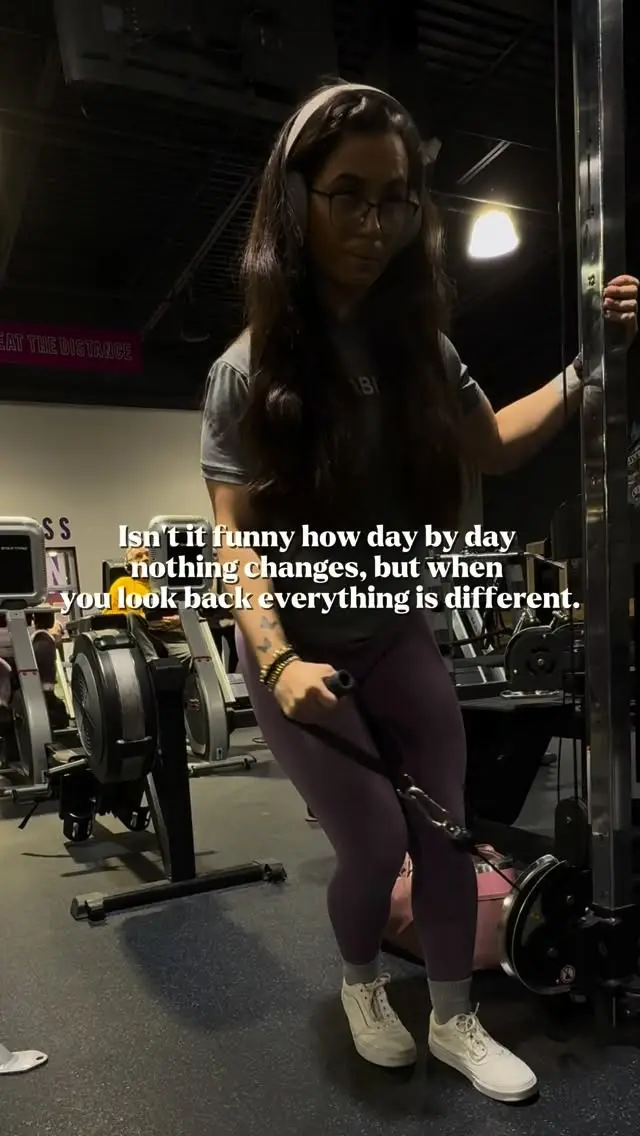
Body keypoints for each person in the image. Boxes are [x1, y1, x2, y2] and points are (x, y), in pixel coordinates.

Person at [200, 81, 638, 1102]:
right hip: (296, 649)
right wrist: (276, 655)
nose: (374, 222)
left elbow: (495, 443)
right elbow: (234, 540)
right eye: (348, 195)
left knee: (449, 829)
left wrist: (589, 367)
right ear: (295, 201)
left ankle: (451, 1016)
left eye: (395, 199)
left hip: (394, 632)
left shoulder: (421, 353)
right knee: (373, 842)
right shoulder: (246, 370)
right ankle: (362, 984)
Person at [107, 546, 191, 668]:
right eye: (138, 556)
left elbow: (189, 611)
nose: (145, 558)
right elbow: (110, 618)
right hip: (143, 635)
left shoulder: (171, 584)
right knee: (133, 616)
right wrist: (144, 618)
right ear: (129, 567)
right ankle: (153, 664)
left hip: (172, 637)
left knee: (197, 658)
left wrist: (179, 620)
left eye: (148, 554)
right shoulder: (122, 584)